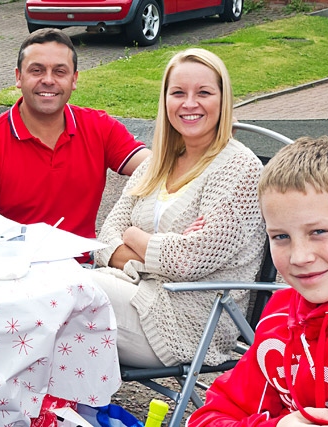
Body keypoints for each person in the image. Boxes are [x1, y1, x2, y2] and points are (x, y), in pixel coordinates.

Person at [188, 137, 328, 427]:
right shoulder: (279, 323)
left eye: (318, 231)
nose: (299, 257)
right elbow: (207, 418)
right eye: (281, 237)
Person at [90, 48, 266, 368]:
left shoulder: (240, 169)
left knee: (66, 293)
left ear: (223, 100)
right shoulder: (159, 161)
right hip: (136, 294)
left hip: (189, 324)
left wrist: (133, 235)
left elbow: (186, 261)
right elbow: (105, 238)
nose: (189, 103)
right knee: (53, 290)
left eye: (204, 92)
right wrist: (161, 254)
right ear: (166, 100)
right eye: (178, 93)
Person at [0, 28, 149, 240]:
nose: (48, 80)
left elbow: (157, 168)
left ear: (74, 79)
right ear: (18, 77)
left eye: (60, 72)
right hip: (12, 268)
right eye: (37, 70)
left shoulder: (99, 127)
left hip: (84, 268)